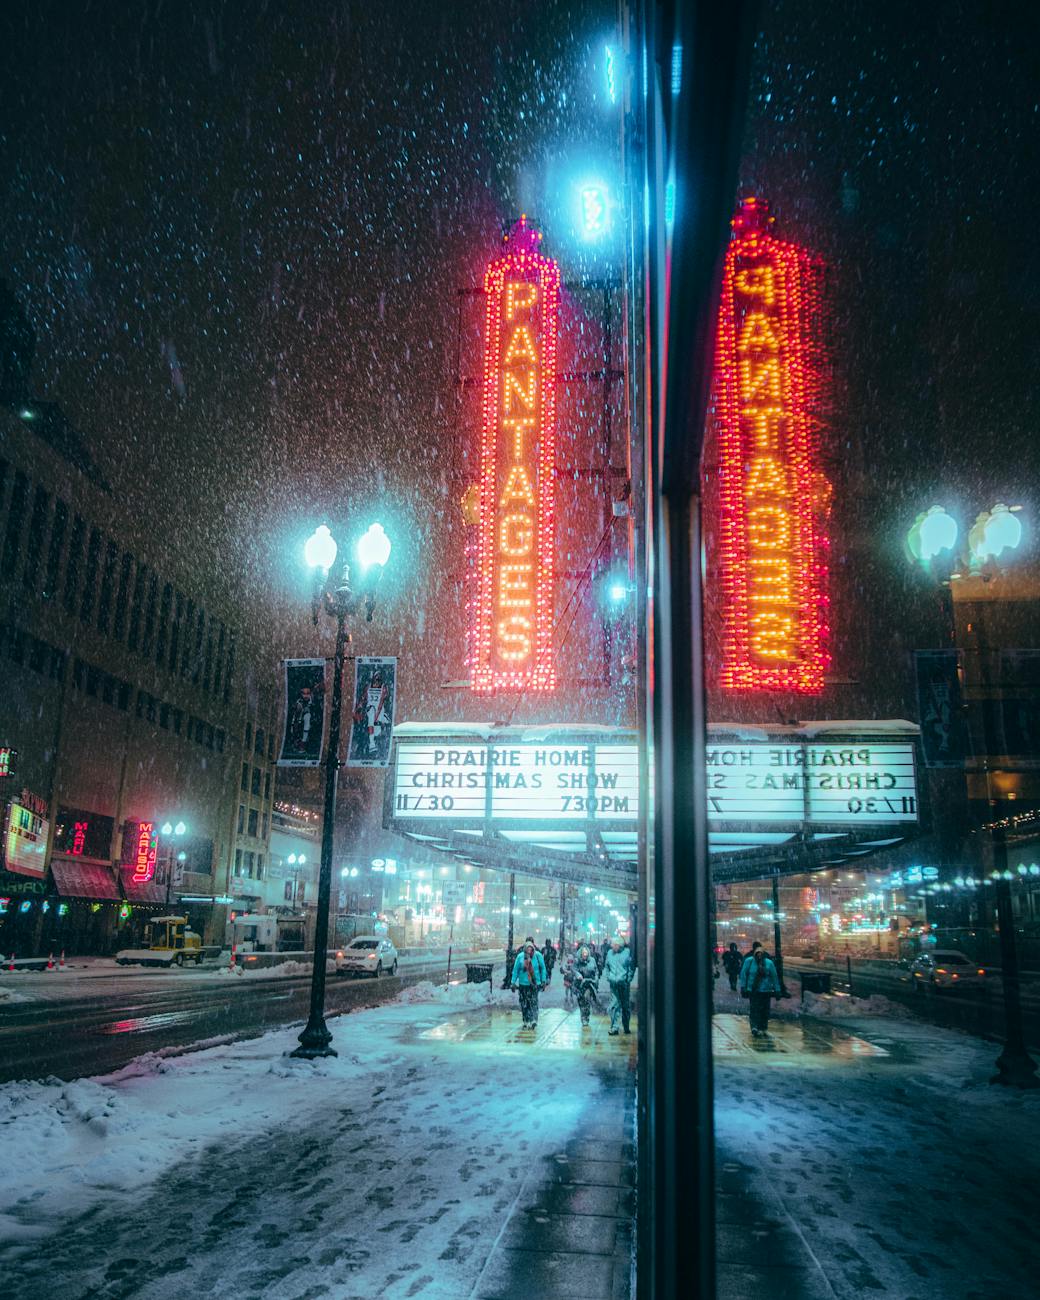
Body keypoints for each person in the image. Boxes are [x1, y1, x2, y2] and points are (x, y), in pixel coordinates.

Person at [739, 945, 782, 1037]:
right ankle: (754, 1026)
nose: (759, 956)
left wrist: (777, 990)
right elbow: (743, 974)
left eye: (760, 954)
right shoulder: (749, 962)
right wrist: (743, 987)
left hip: (766, 991)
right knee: (754, 1009)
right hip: (753, 990)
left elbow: (774, 977)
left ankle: (763, 1027)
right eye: (757, 954)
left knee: (764, 1010)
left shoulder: (769, 963)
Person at [511, 940, 547, 1028]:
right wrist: (513, 982)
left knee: (533, 1002)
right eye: (528, 949)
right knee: (524, 1003)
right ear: (525, 950)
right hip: (523, 984)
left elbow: (543, 968)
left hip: (534, 983)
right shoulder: (520, 957)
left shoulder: (538, 956)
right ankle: (526, 1020)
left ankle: (534, 1019)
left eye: (531, 949)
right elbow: (515, 970)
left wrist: (543, 981)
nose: (529, 951)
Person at [604, 937, 633, 1035]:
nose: (612, 946)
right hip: (613, 984)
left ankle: (626, 1026)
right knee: (614, 1006)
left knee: (625, 1006)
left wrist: (627, 979)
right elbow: (606, 966)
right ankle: (614, 1027)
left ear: (619, 945)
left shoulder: (627, 953)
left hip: (623, 984)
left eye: (614, 945)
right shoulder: (609, 953)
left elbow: (631, 967)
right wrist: (608, 977)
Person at [573, 944, 600, 1028]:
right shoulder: (577, 961)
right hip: (579, 985)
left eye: (586, 953)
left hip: (589, 984)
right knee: (581, 1001)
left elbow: (596, 971)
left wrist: (596, 979)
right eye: (583, 953)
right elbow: (574, 969)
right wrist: (578, 975)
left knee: (586, 999)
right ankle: (583, 1016)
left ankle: (586, 1017)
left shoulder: (592, 960)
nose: (585, 954)